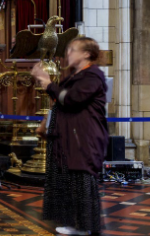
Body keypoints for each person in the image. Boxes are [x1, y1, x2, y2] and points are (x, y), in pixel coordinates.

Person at [32, 37, 108, 236]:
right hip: (69, 137)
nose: (68, 54)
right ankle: (74, 223)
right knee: (68, 179)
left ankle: (84, 226)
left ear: (86, 54)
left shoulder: (93, 75)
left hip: (84, 138)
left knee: (80, 180)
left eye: (72, 50)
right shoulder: (75, 75)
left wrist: (48, 84)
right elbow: (60, 99)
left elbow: (72, 99)